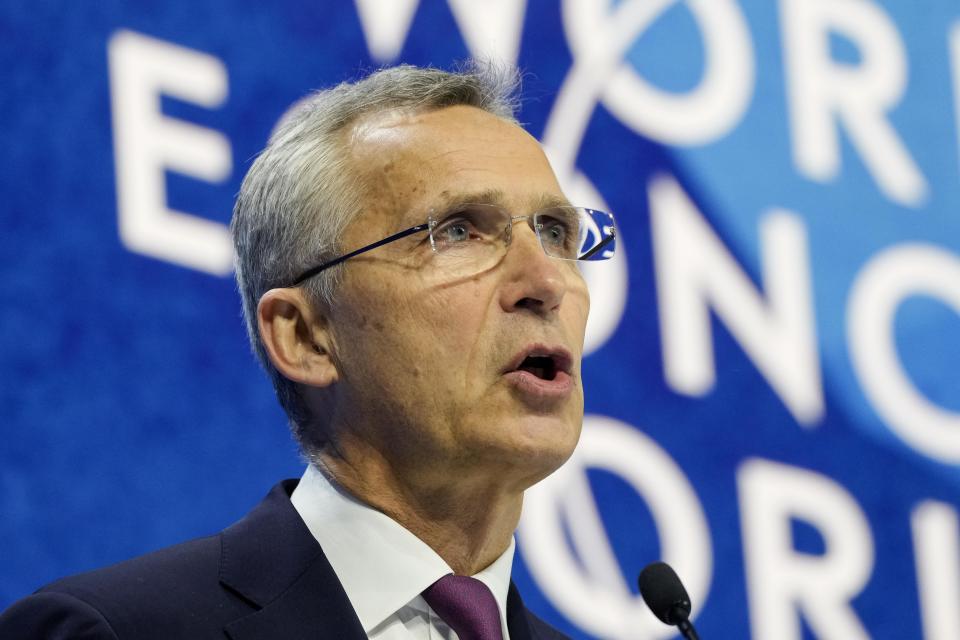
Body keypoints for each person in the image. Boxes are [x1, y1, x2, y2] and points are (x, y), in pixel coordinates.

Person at [0, 63, 616, 639]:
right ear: (304, 336)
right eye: (458, 230)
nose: (547, 282)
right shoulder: (118, 629)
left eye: (556, 233)